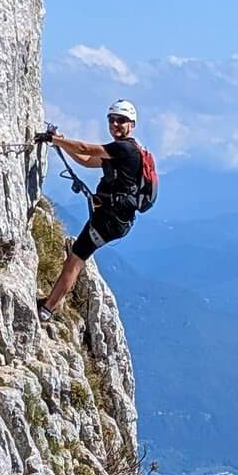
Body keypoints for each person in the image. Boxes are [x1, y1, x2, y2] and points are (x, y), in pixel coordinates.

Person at [35, 99, 156, 320]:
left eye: (121, 120)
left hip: (109, 221)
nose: (115, 124)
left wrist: (54, 139)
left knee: (75, 259)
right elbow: (87, 160)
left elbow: (85, 148)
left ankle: (46, 308)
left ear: (132, 124)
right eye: (112, 120)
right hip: (114, 219)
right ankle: (50, 303)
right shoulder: (125, 152)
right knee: (76, 258)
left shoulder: (125, 149)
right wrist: (60, 142)